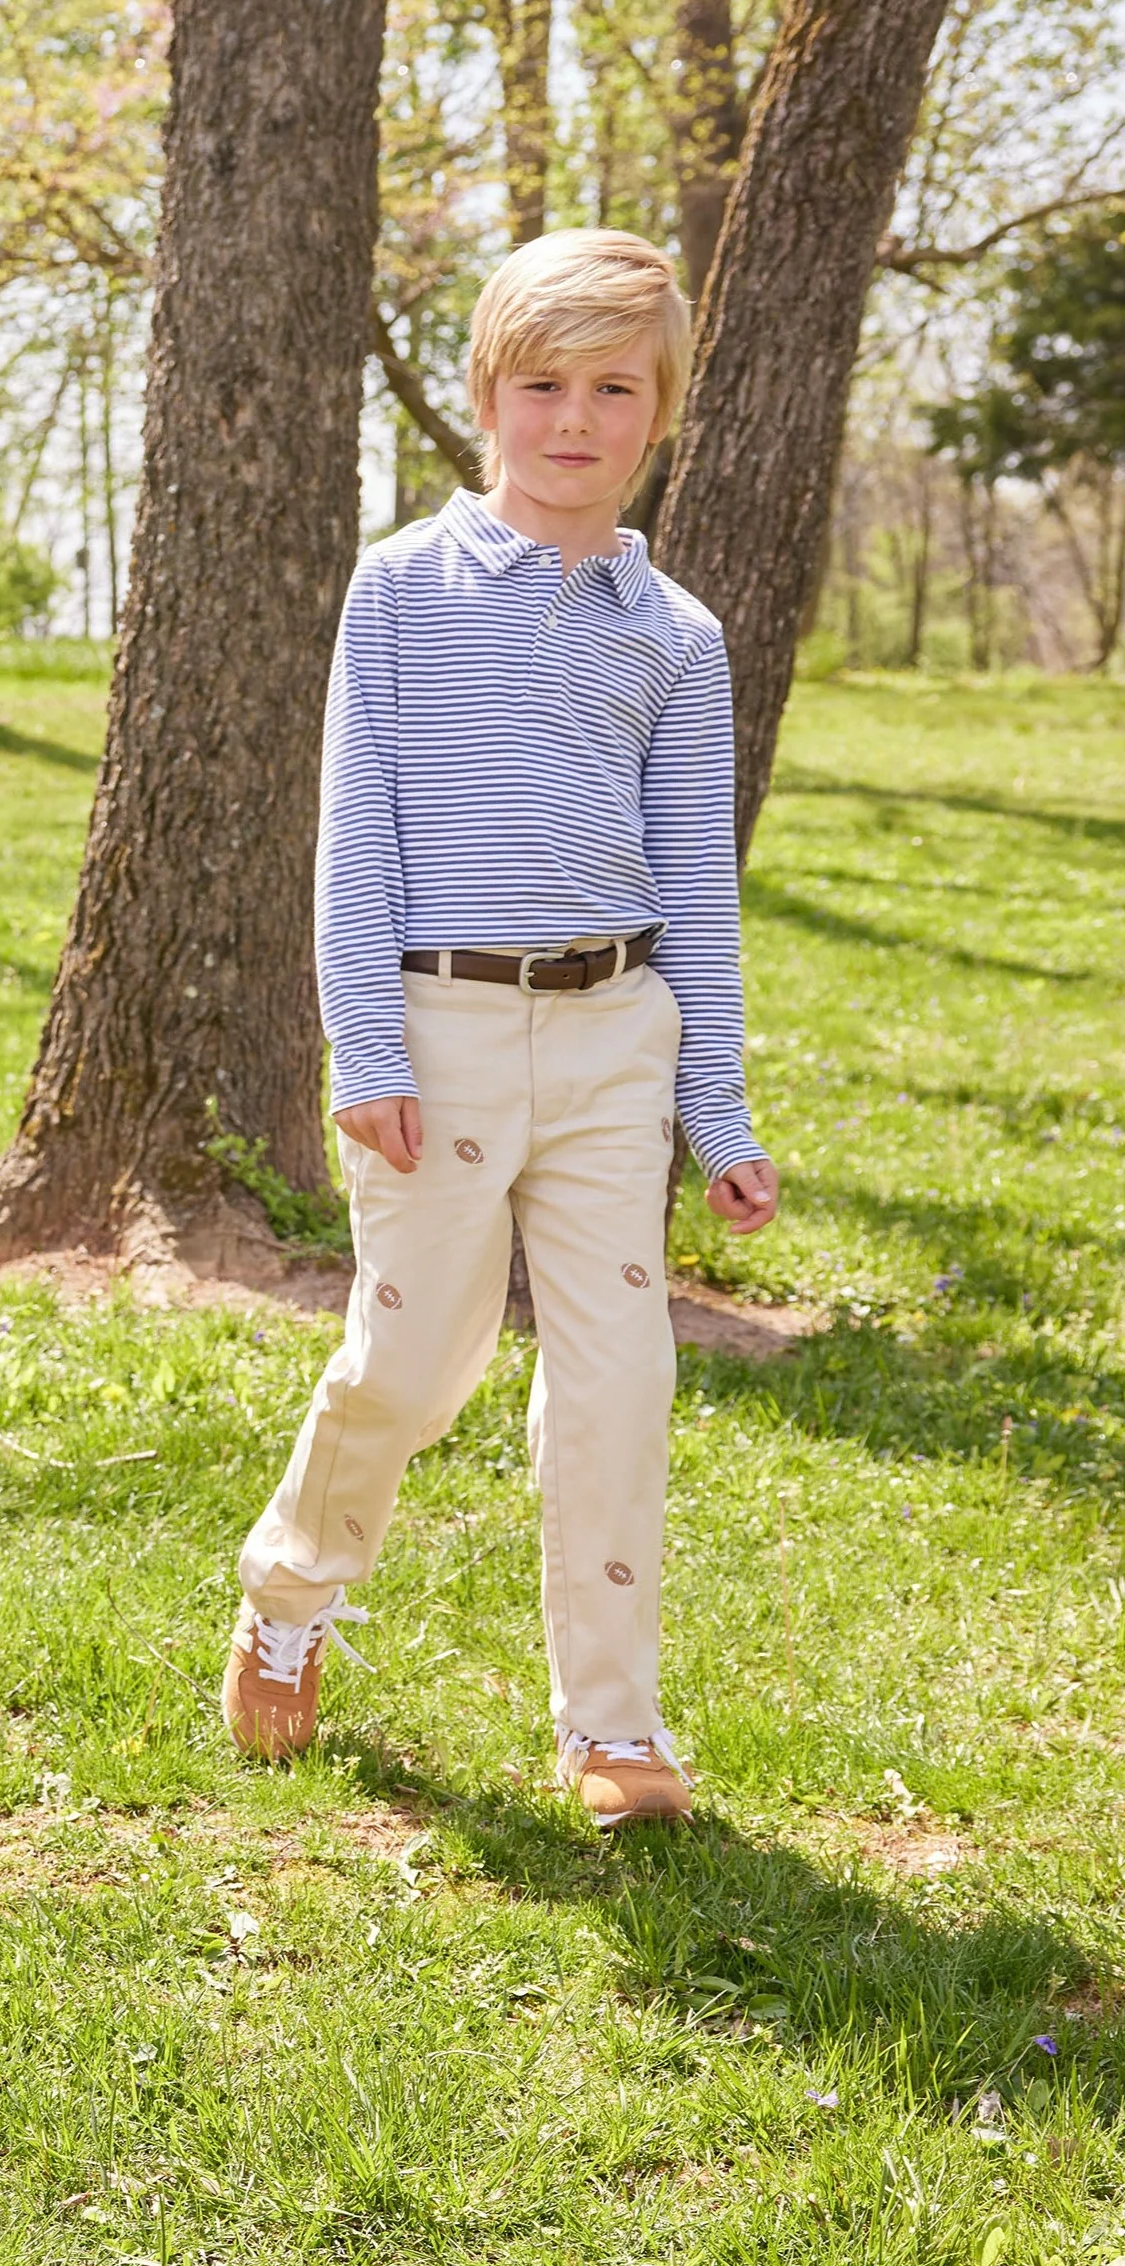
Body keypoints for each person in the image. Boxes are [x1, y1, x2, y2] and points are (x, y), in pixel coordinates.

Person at [224, 230, 778, 1829]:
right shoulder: (398, 587)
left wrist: (717, 1114)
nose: (571, 420)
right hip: (438, 1029)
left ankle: (611, 1727)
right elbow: (354, 831)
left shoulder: (674, 634)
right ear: (484, 395)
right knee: (409, 1359)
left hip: (616, 1039)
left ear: (655, 413)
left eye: (611, 388)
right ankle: (287, 1592)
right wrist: (365, 1050)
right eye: (539, 384)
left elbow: (694, 885)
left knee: (619, 1380)